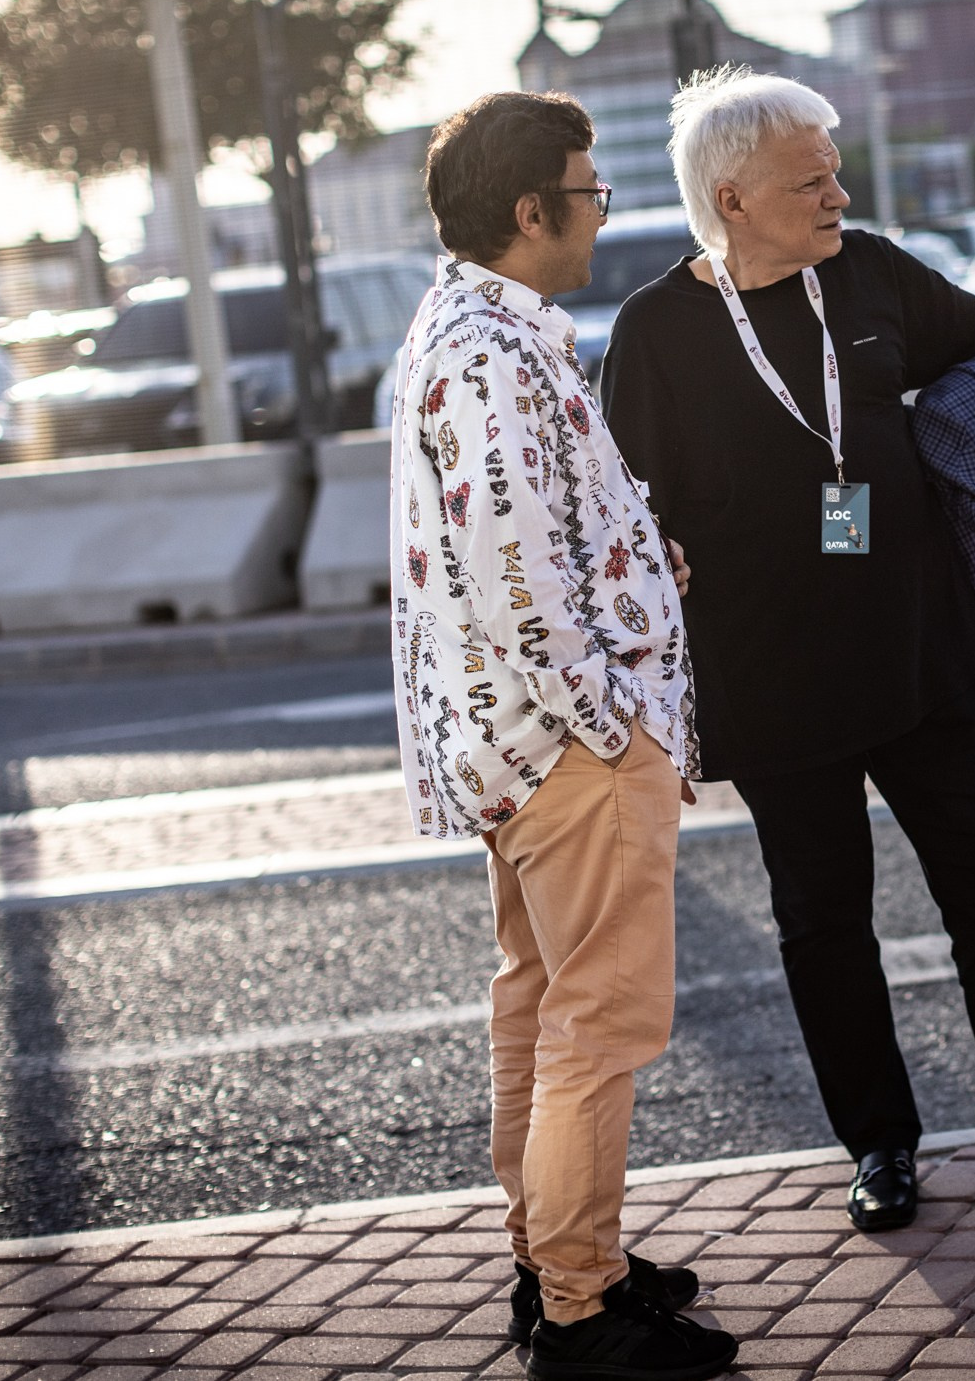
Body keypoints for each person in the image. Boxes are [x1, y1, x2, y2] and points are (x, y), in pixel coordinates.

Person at [599, 67, 975, 1234]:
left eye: (832, 171)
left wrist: (930, 440)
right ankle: (879, 1146)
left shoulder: (865, 271)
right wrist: (658, 553)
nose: (836, 190)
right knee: (824, 922)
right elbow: (619, 499)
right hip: (771, 682)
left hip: (928, 657)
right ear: (732, 197)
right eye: (809, 178)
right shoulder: (657, 328)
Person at [391, 91, 737, 1381]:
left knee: (540, 1010)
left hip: (514, 743)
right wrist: (611, 720)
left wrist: (641, 557)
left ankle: (555, 1260)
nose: (602, 214)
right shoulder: (493, 352)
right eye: (588, 193)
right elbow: (515, 569)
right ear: (530, 209)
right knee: (598, 1022)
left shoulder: (474, 328)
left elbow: (541, 532)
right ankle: (583, 1307)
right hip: (565, 749)